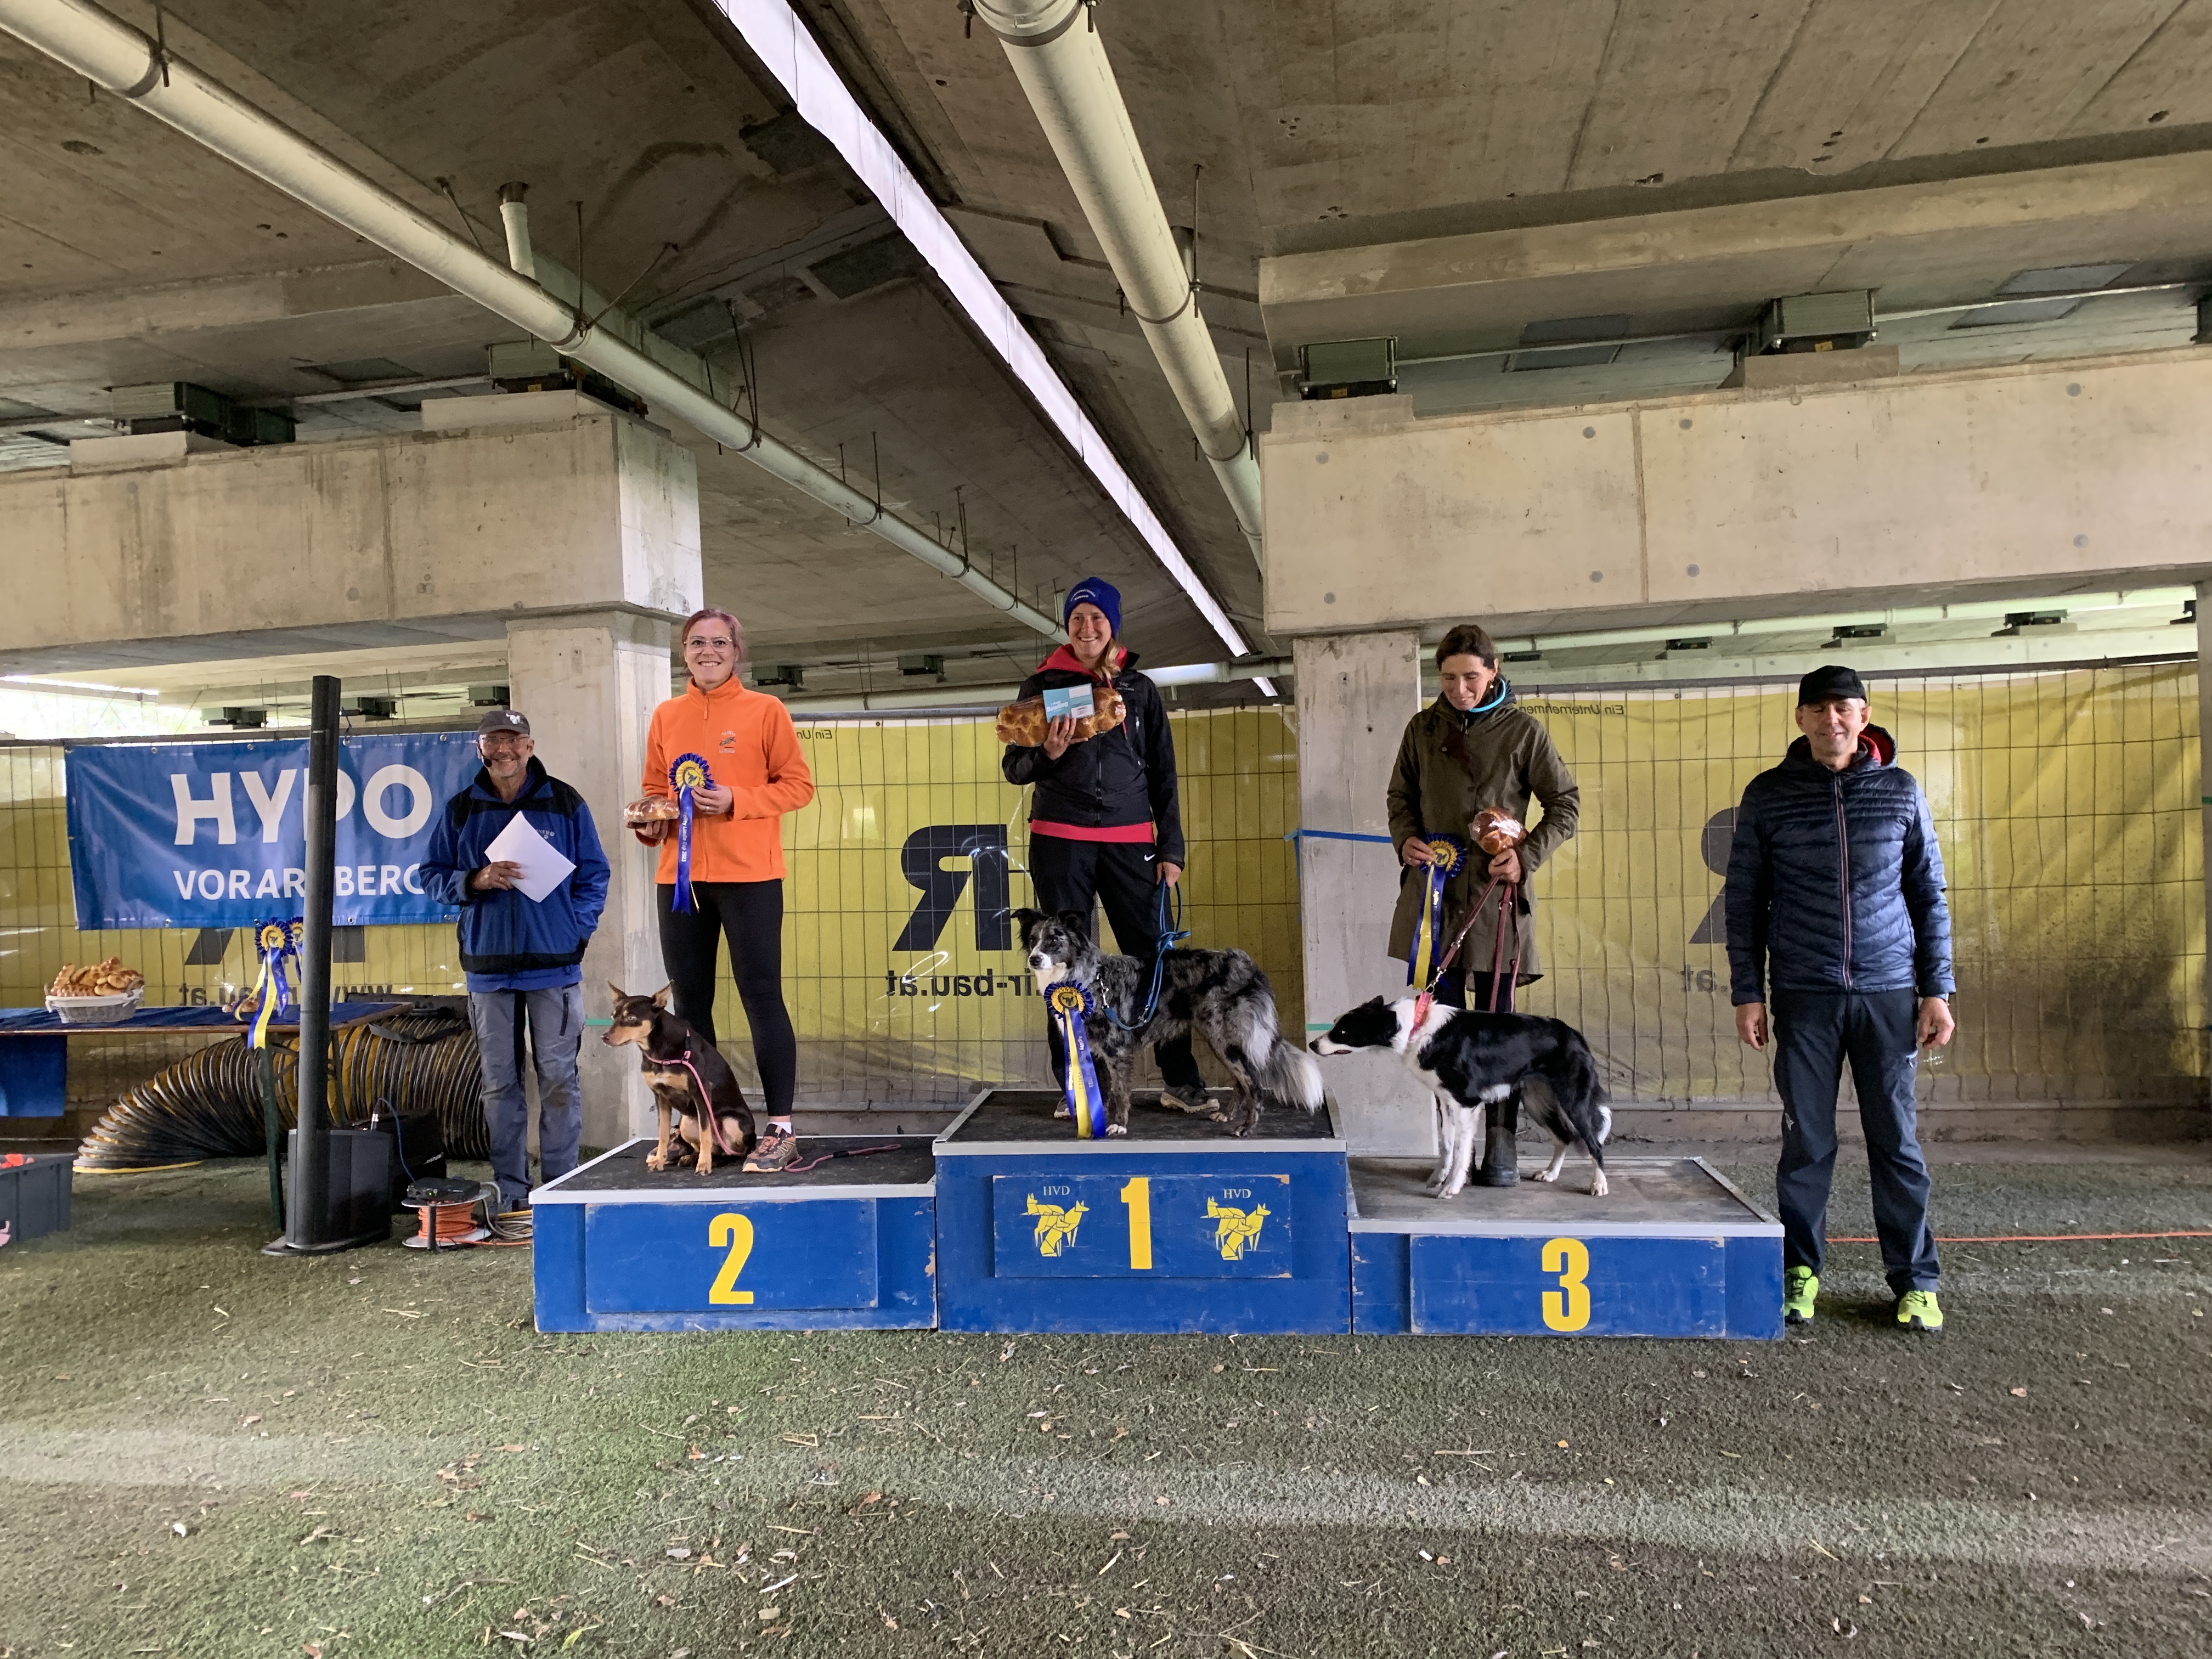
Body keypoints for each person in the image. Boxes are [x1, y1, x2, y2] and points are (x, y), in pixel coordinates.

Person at [1725, 664, 1956, 1334]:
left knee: (1897, 1143)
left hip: (1889, 993)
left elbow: (1928, 894)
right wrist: (1748, 992)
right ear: (1801, 719)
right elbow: (1745, 900)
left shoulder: (1900, 791)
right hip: (1804, 993)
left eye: (1844, 708)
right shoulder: (1769, 795)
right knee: (1806, 1143)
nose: (1832, 719)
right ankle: (1800, 1272)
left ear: (1864, 716)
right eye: (1819, 709)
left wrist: (1936, 989)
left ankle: (1915, 1282)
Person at [1001, 576, 1210, 1113]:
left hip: (1131, 842)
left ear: (1112, 625)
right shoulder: (1041, 686)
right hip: (1061, 840)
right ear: (1067, 626)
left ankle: (1180, 1080)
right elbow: (1014, 768)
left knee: (1155, 961)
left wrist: (1172, 848)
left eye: (1097, 618)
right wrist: (1047, 753)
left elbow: (1164, 771)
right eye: (1077, 619)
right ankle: (1078, 1085)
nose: (1087, 628)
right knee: (1063, 964)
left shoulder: (1139, 688)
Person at [1386, 622, 1579, 1184]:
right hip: (1436, 897)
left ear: (1494, 671)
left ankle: (1501, 1144)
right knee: (1436, 1033)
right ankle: (1454, 1153)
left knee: (1498, 1032)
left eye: (1471, 677)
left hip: (1497, 897)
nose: (1460, 689)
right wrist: (1406, 838)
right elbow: (1399, 796)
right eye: (1449, 679)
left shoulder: (1524, 732)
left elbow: (1565, 804)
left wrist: (1526, 856)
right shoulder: (1421, 730)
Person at [634, 606, 815, 1172]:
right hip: (680, 880)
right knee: (690, 1007)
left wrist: (738, 800)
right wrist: (650, 821)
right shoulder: (667, 715)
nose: (707, 651)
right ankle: (702, 1128)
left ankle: (781, 1128)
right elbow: (654, 789)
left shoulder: (766, 710)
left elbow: (798, 786)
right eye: (696, 643)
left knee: (761, 997)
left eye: (718, 642)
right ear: (684, 654)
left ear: (737, 653)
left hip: (751, 877)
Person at [421, 707, 610, 1209]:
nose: (503, 750)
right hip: (488, 972)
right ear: (479, 749)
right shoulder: (461, 809)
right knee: (499, 1084)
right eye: (493, 741)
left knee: (559, 1080)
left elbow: (595, 874)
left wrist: (576, 929)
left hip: (554, 967)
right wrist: (474, 880)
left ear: (529, 747)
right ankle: (511, 1190)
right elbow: (431, 875)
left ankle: (559, 1188)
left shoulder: (565, 803)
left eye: (513, 740)